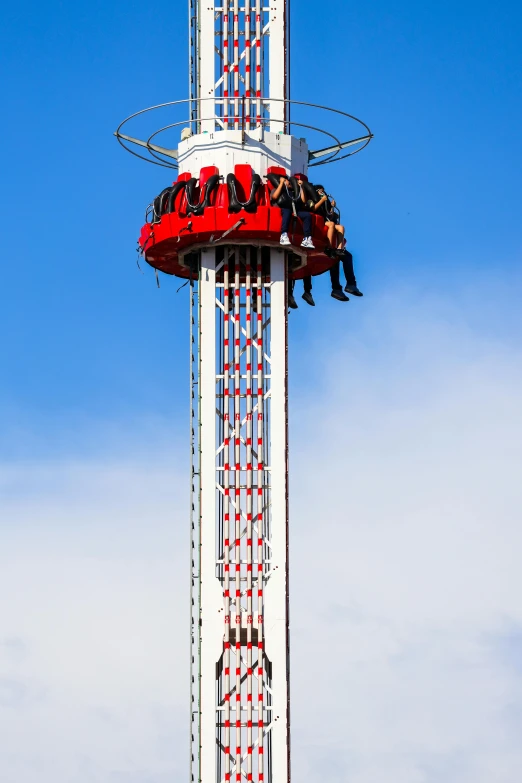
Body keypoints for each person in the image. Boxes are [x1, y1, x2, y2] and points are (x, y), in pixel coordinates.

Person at [270, 177, 316, 250]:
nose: (290, 183)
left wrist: (301, 187)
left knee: (307, 215)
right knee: (287, 211)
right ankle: (283, 234)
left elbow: (303, 201)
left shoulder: (293, 193)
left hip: (294, 210)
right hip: (283, 210)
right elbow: (274, 197)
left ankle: (307, 238)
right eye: (288, 181)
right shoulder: (276, 190)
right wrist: (282, 182)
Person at [314, 185, 345, 254]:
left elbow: (329, 214)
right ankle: (329, 247)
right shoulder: (314, 199)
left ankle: (340, 248)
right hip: (319, 220)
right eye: (321, 191)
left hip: (326, 219)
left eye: (323, 191)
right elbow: (314, 208)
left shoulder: (326, 202)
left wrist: (332, 206)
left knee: (341, 227)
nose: (323, 193)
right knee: (331, 224)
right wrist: (322, 200)